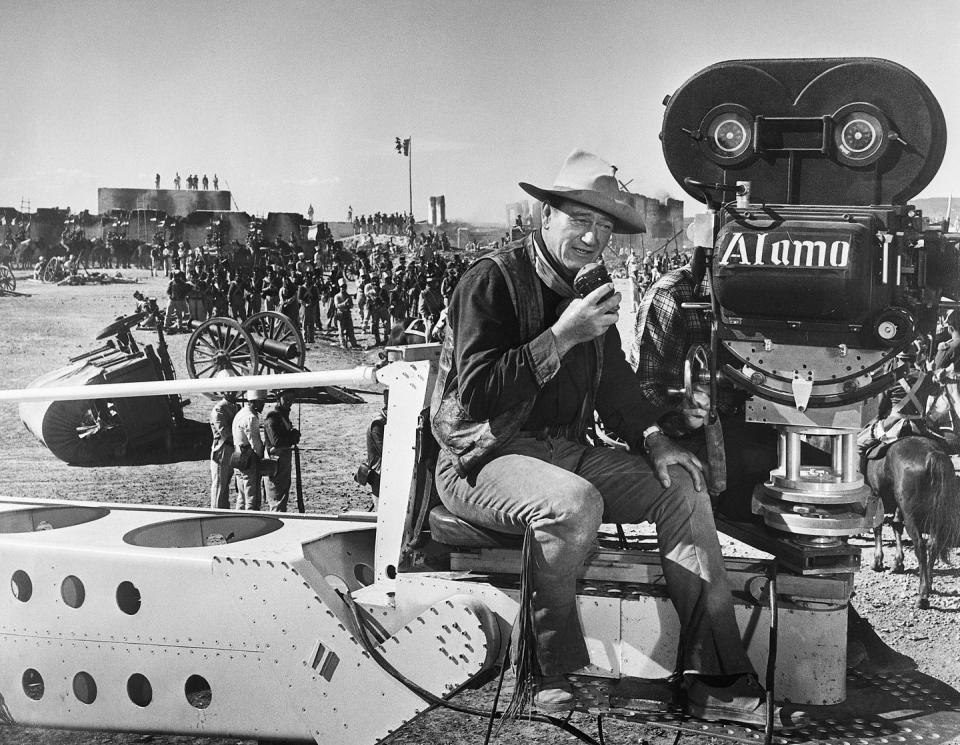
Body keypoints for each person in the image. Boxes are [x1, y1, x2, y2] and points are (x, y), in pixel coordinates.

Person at [431, 149, 791, 727]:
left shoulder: (589, 289)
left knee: (683, 487)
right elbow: (477, 396)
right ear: (545, 216)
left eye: (604, 227)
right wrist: (561, 335)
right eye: (581, 220)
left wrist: (655, 439)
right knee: (573, 504)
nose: (593, 237)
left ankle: (714, 674)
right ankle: (552, 671)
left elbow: (618, 385)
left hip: (563, 454)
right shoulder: (492, 281)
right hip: (480, 459)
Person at [262, 390, 301, 512]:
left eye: (291, 399)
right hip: (276, 463)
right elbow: (277, 441)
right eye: (286, 398)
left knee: (282, 496)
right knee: (276, 498)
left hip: (282, 462)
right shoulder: (273, 417)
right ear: (279, 399)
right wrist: (292, 437)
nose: (289, 402)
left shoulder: (282, 416)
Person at [232, 389, 267, 510]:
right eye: (261, 402)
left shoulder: (240, 413)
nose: (263, 405)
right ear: (255, 402)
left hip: (237, 455)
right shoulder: (251, 418)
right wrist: (260, 456)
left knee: (241, 496)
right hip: (248, 458)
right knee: (252, 496)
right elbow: (255, 442)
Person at [209, 391, 239, 509]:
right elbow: (225, 433)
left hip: (231, 451)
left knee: (225, 484)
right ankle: (216, 513)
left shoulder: (236, 407)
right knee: (219, 486)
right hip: (221, 451)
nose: (232, 393)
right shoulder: (219, 409)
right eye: (229, 390)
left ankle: (223, 511)